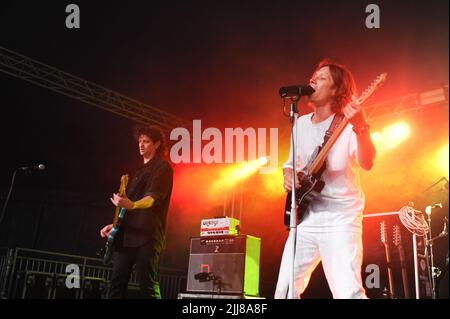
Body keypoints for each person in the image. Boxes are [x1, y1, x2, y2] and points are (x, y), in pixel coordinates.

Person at [275, 59, 376, 299]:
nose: (312, 81)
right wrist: (288, 176)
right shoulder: (299, 123)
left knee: (348, 293)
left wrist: (361, 128)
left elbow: (368, 162)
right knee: (285, 291)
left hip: (341, 219)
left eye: (321, 78)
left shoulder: (349, 124)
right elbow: (290, 165)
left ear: (337, 90)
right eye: (313, 76)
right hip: (306, 219)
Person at [100, 125, 173, 299]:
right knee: (116, 285)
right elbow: (128, 207)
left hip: (147, 237)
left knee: (147, 286)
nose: (141, 144)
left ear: (156, 144)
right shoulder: (137, 171)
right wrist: (115, 225)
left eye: (146, 141)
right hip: (127, 235)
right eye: (140, 141)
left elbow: (152, 199)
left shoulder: (163, 168)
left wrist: (131, 205)